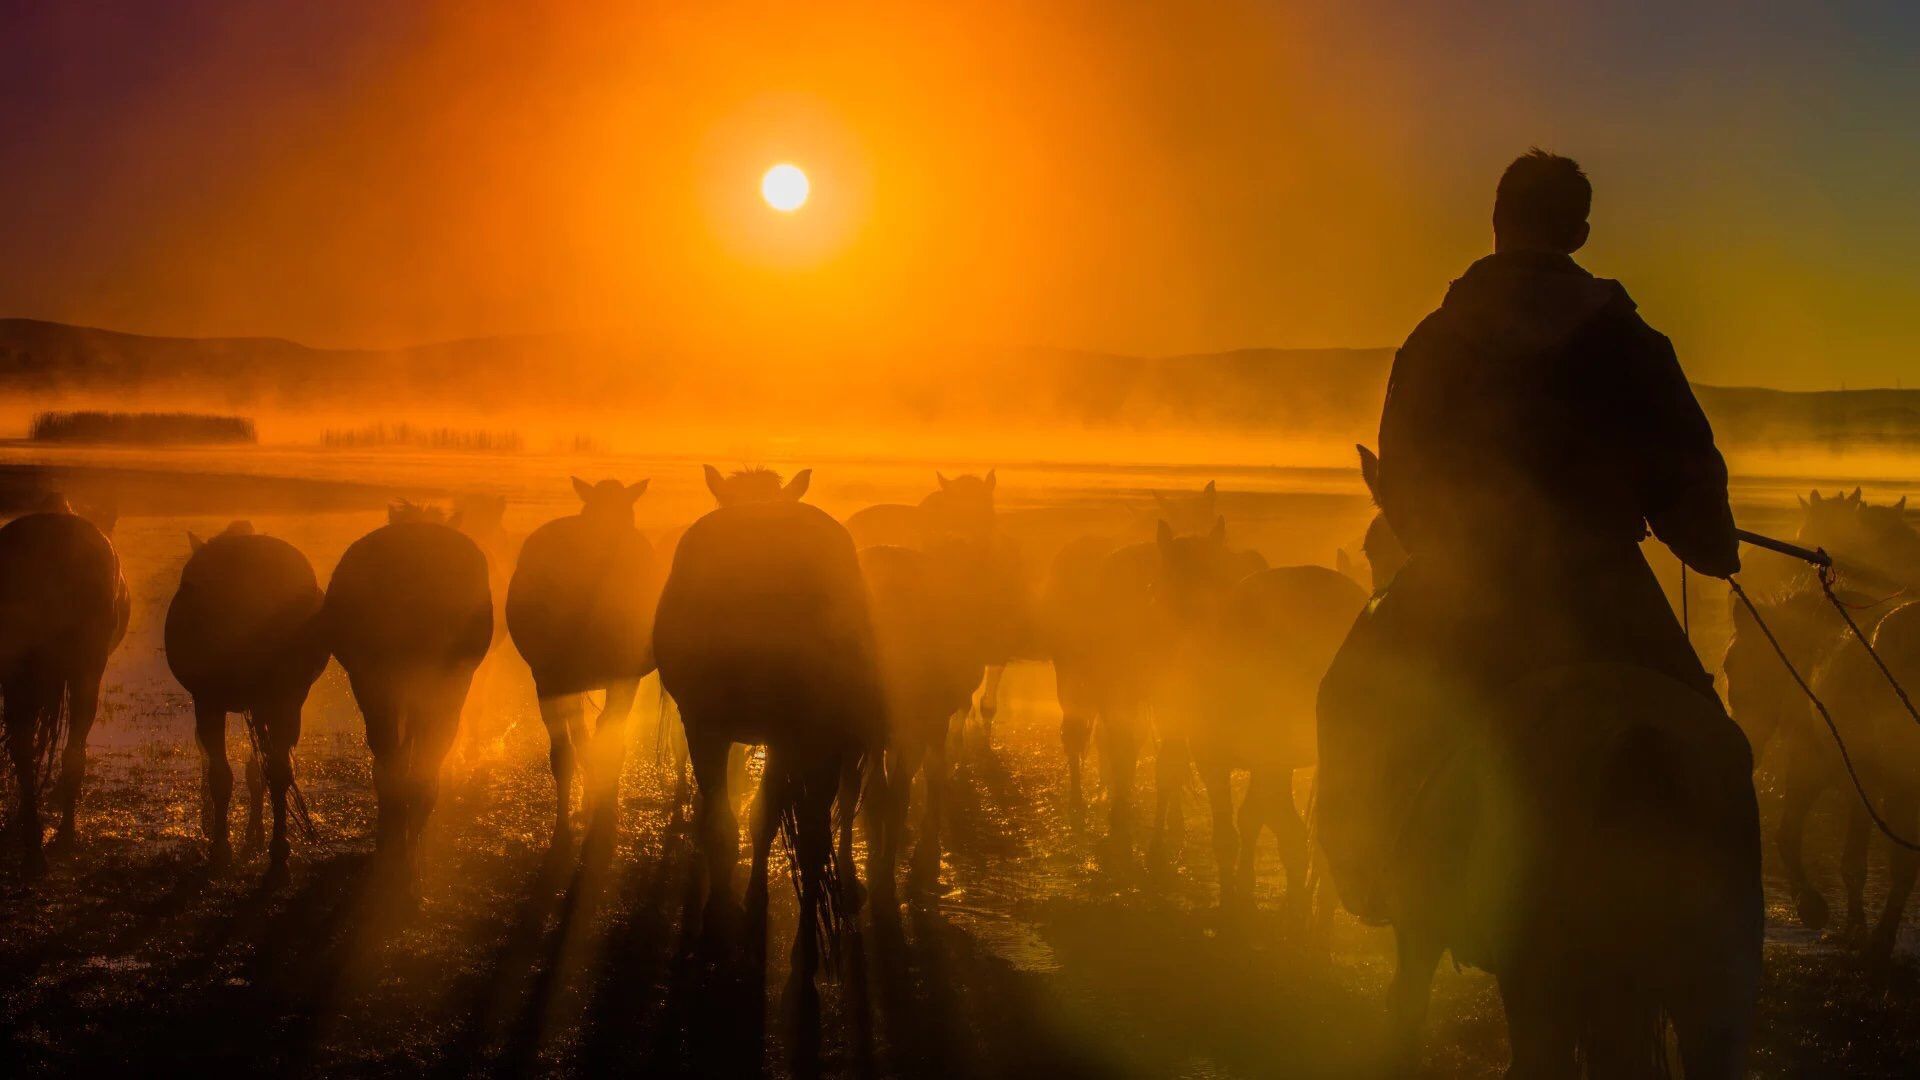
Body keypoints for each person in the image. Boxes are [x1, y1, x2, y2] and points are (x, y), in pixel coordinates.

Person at [1318, 149, 1746, 921]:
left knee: (1350, 701)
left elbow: (1406, 486)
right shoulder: (1633, 342)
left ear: (1495, 223)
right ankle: (1726, 932)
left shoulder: (1434, 341)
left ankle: (1377, 885)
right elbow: (1688, 479)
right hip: (1604, 592)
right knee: (1715, 747)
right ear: (1579, 234)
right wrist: (1712, 546)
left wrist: (1449, 542)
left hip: (1465, 590)